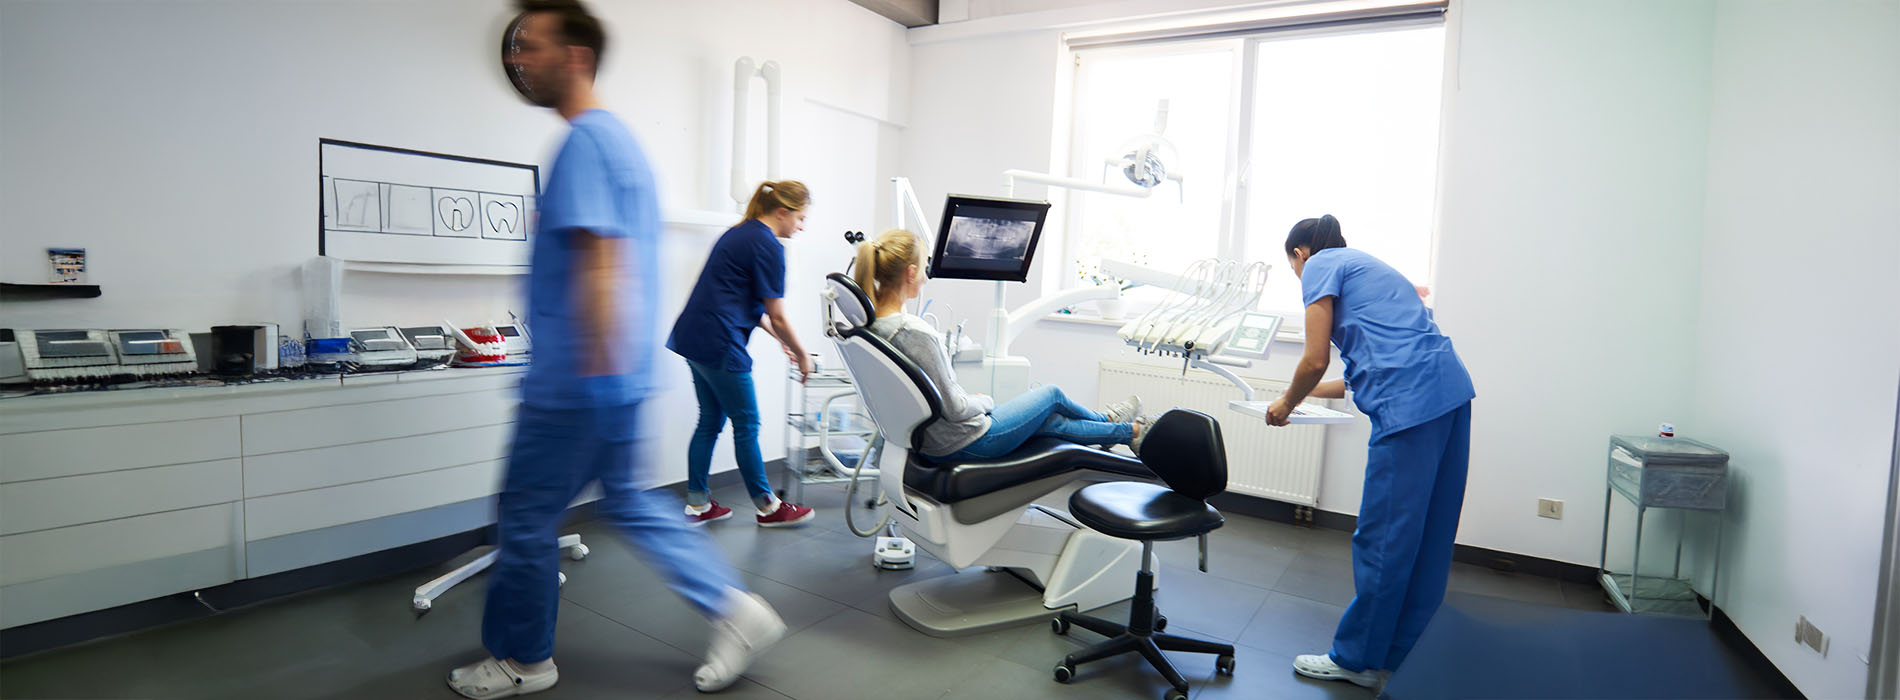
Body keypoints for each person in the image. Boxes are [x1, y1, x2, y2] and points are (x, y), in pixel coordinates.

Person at [448, 2, 783, 696]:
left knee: (526, 516)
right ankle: (737, 610)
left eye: (532, 46)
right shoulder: (619, 141)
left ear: (576, 57)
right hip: (617, 376)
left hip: (579, 381)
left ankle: (522, 659)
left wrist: (592, 372)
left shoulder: (585, 143)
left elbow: (602, 259)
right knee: (629, 502)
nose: (517, 58)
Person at [1264, 214, 1475, 689]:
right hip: (1450, 391)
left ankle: (1356, 660)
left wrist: (1286, 404)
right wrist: (1295, 395)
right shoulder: (1371, 268)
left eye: (1293, 268)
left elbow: (1315, 359)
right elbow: (1358, 374)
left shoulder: (1320, 265)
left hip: (1410, 405)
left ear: (1299, 254)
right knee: (1429, 534)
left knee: (1384, 537)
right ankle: (1404, 655)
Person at [853, 229, 1148, 461]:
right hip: (966, 441)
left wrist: (970, 401)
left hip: (934, 439)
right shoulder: (914, 332)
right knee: (1051, 395)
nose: (925, 277)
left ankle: (1126, 431)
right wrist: (985, 401)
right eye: (924, 267)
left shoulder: (873, 327)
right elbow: (955, 409)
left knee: (1052, 422)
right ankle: (1111, 421)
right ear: (910, 272)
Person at [667, 181, 818, 527]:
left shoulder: (740, 233)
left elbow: (740, 298)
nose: (802, 226)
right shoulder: (768, 245)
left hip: (694, 337)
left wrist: (778, 339)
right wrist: (802, 354)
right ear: (782, 212)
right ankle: (768, 507)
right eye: (800, 218)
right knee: (747, 423)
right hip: (720, 341)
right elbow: (777, 314)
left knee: (710, 421)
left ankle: (697, 504)